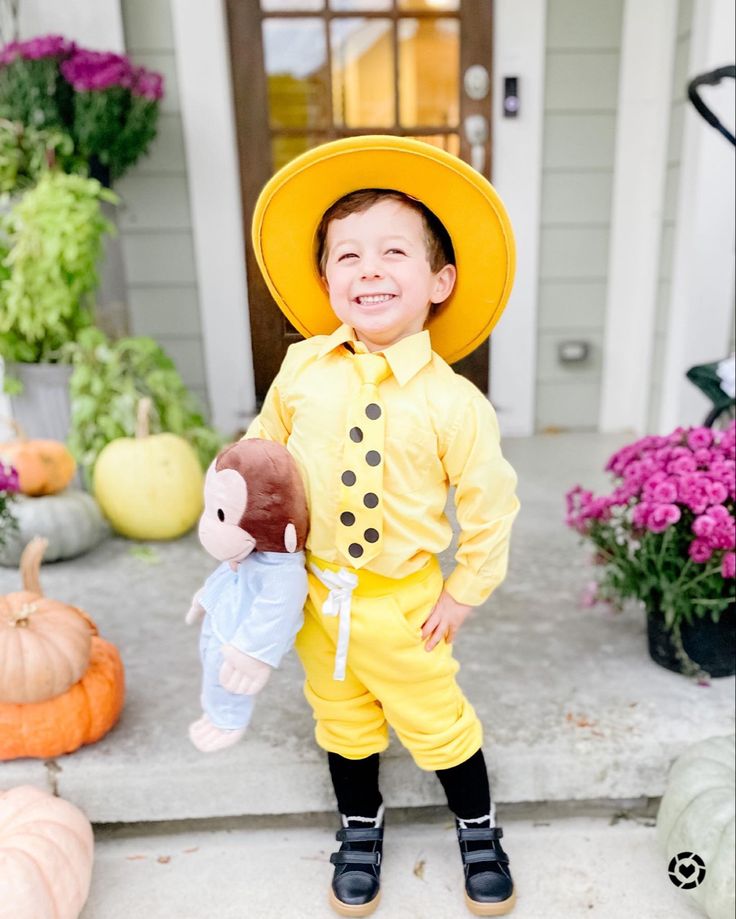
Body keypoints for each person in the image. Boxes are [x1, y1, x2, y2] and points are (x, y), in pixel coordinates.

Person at [245, 136, 521, 917]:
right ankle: (359, 825)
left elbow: (490, 503)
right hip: (317, 598)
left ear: (440, 280)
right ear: (327, 281)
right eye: (347, 255)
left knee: (438, 720)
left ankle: (479, 826)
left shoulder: (454, 403)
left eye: (394, 252)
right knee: (341, 719)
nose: (369, 268)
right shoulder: (301, 370)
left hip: (405, 605)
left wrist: (465, 591)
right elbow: (265, 460)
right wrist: (249, 544)